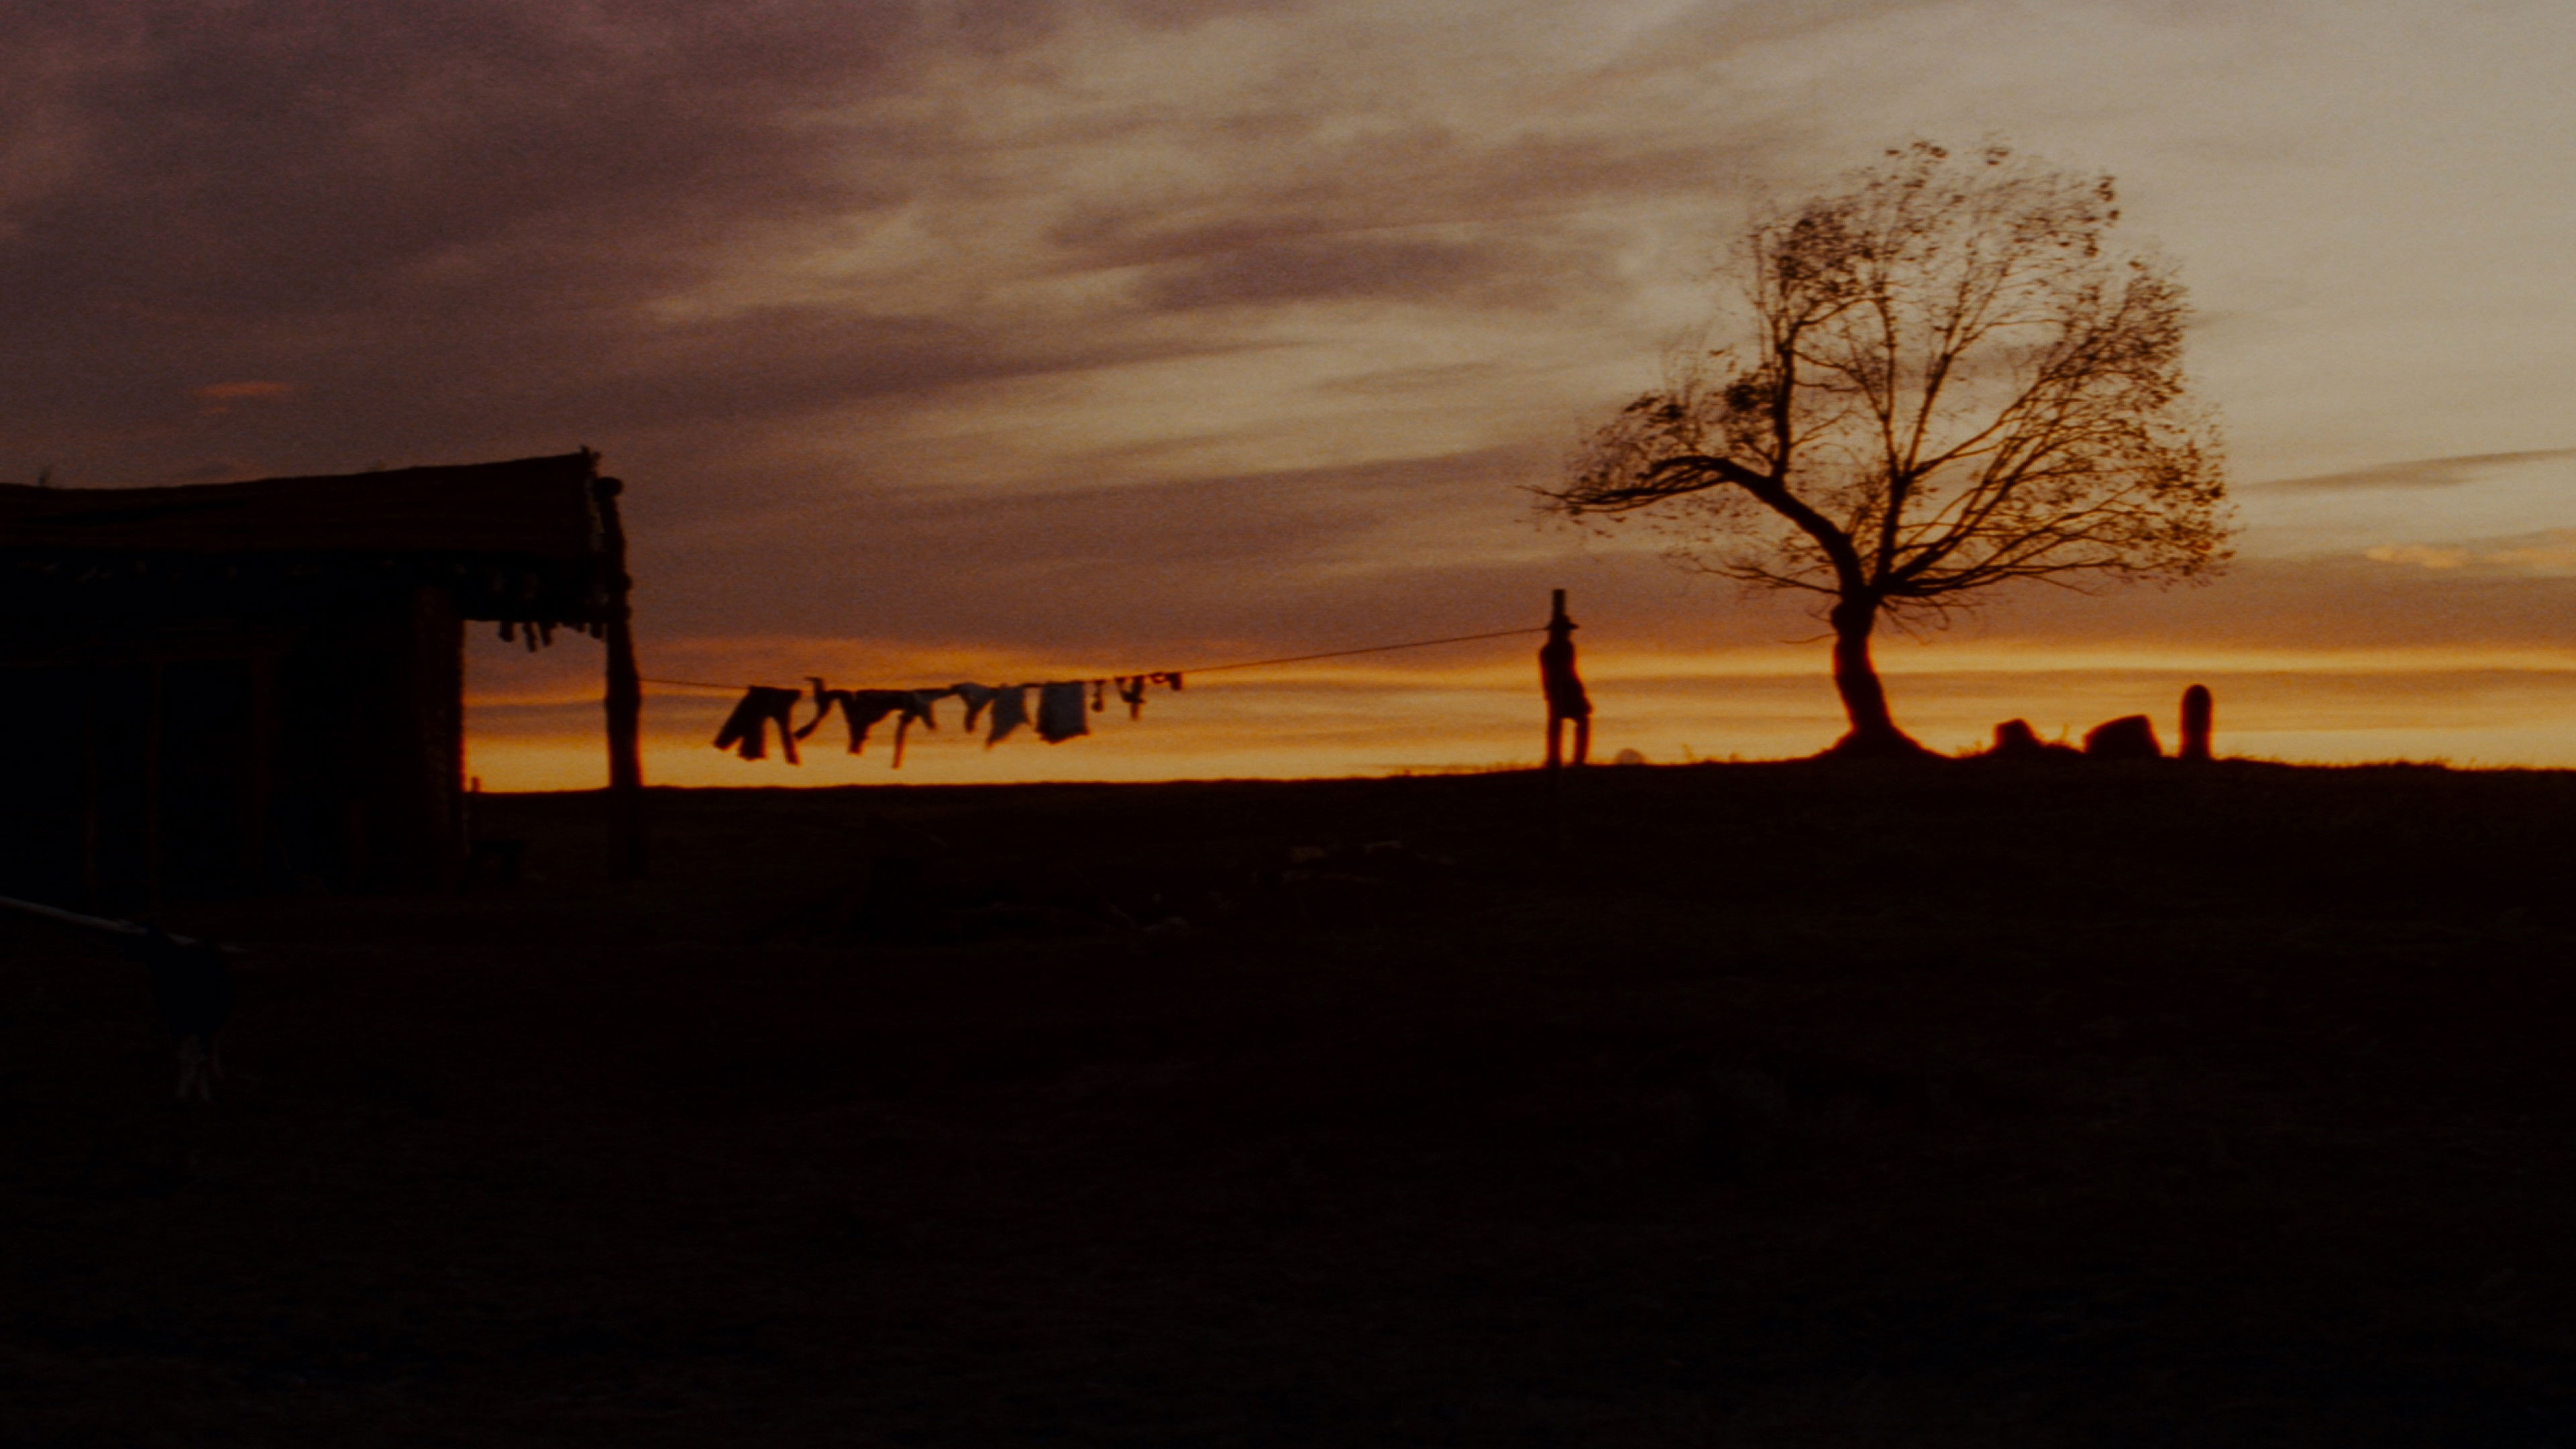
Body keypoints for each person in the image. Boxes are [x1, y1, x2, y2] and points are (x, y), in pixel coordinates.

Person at [1539, 590, 1591, 769]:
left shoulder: (1557, 648)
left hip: (1561, 691)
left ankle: (1572, 760)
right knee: (1568, 724)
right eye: (1566, 631)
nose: (1569, 634)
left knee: (1572, 722)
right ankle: (1566, 760)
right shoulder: (1554, 649)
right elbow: (1565, 672)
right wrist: (1578, 693)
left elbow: (1567, 671)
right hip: (1562, 691)